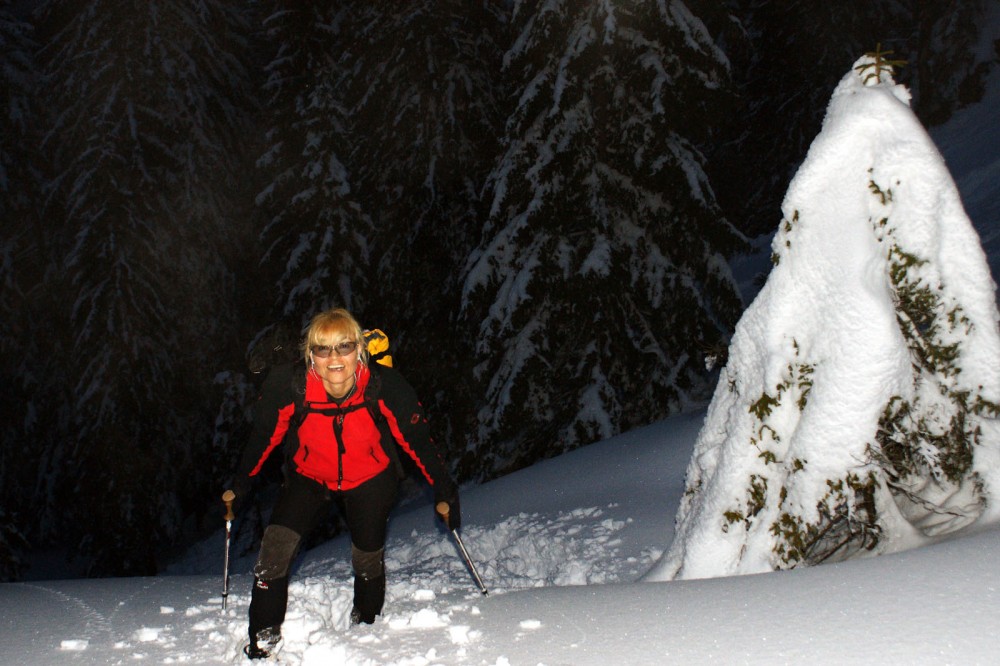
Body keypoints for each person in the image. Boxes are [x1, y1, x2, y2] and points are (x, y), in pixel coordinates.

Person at [228, 307, 460, 660]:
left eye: (344, 346)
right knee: (272, 554)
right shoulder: (291, 387)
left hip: (370, 479)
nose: (334, 358)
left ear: (360, 351)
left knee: (367, 557)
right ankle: (263, 636)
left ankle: (366, 625)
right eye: (322, 349)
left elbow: (416, 439)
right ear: (310, 356)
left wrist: (444, 488)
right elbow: (264, 436)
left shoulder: (384, 385)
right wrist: (241, 482)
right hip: (309, 478)